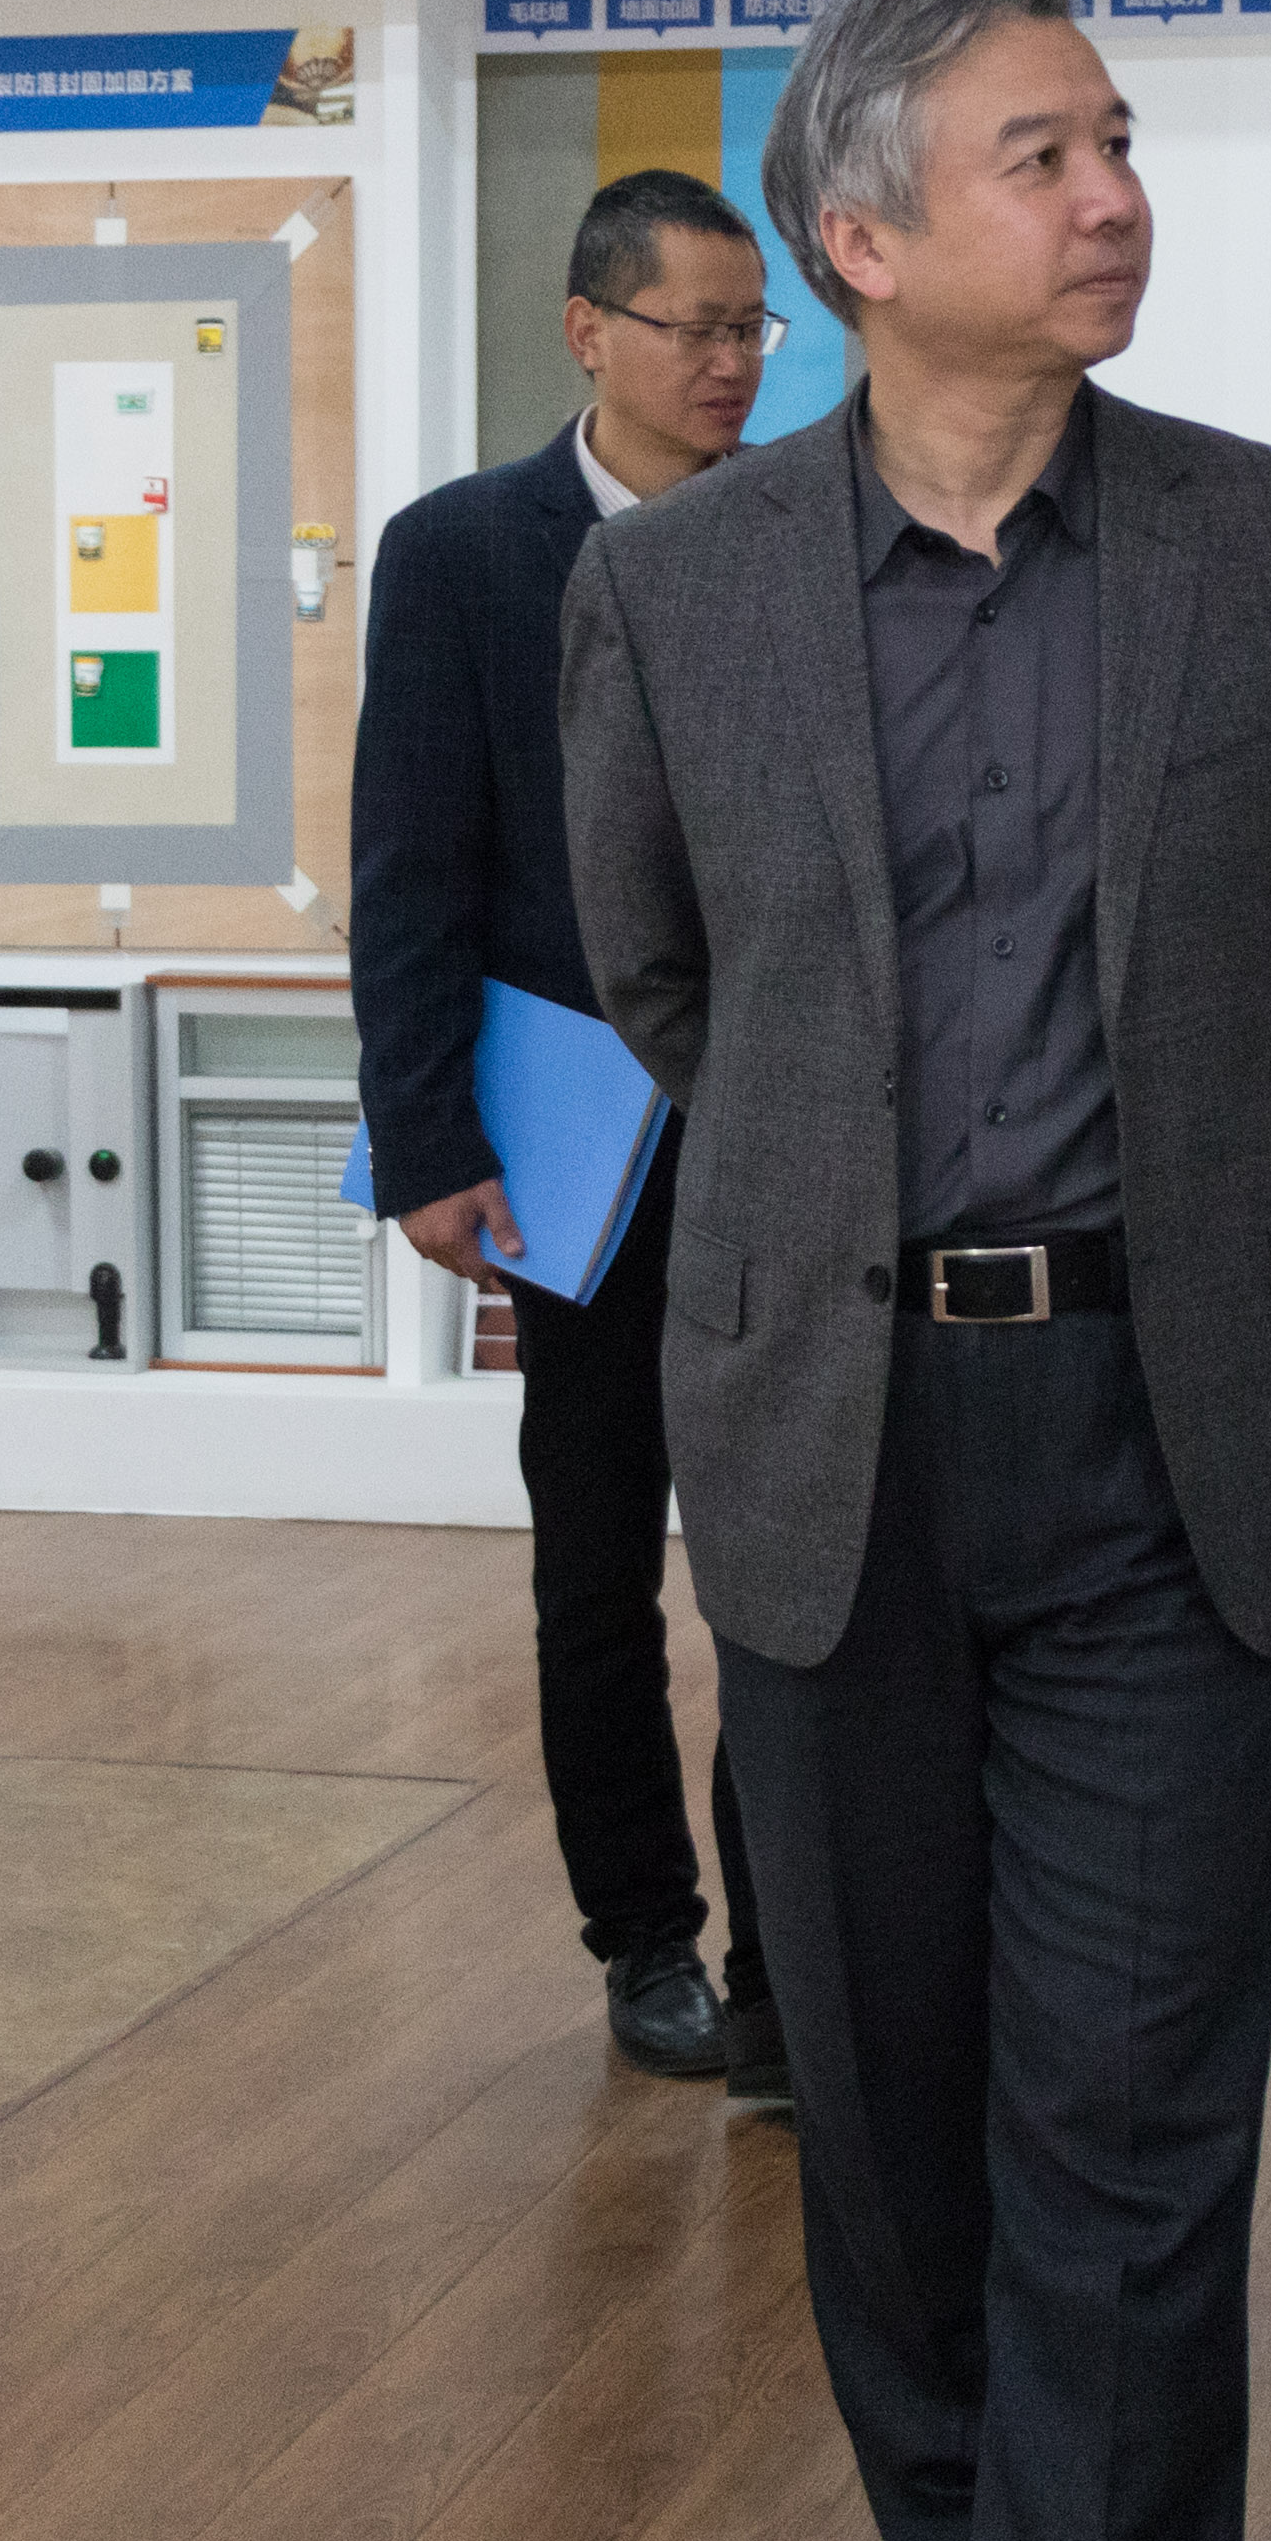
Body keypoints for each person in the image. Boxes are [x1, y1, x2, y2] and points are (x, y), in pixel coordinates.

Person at [560, 0, 1271, 2541]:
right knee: (894, 2103)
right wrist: (851, 1207)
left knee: (1141, 2123)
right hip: (840, 1435)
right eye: (1043, 153)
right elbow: (669, 983)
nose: (1115, 195)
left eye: (1119, 141)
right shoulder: (679, 594)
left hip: (1168, 1433)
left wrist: (1156, 1188)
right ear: (865, 232)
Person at [351, 168, 785, 2104]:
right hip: (580, 1138)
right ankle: (644, 1934)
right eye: (697, 328)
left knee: (792, 1563)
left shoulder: (809, 528)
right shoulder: (465, 551)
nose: (733, 364)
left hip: (789, 1130)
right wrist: (425, 1138)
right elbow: (409, 862)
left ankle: (790, 1945)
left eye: (754, 328)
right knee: (595, 1561)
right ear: (588, 330)